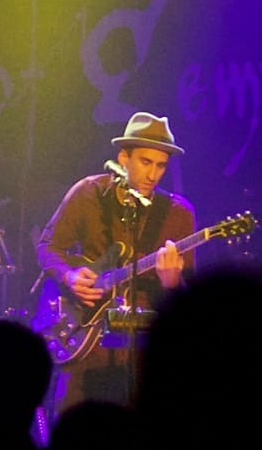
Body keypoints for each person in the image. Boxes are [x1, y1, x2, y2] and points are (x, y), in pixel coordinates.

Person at [32, 111, 194, 414]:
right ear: (123, 157)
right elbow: (48, 247)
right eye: (145, 162)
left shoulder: (178, 214)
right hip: (85, 340)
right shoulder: (89, 192)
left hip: (142, 348)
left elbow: (187, 304)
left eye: (161, 165)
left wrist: (172, 283)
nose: (152, 175)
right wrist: (69, 277)